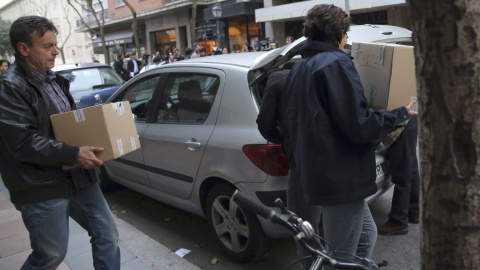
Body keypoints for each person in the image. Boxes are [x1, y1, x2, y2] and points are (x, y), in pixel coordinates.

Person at [281, 4, 417, 265]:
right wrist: (398, 114)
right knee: (341, 255)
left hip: (321, 174)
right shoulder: (336, 62)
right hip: (340, 179)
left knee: (366, 236)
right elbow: (358, 125)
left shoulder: (300, 66)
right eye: (346, 34)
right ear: (340, 34)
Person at [0, 16, 120, 270]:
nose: (56, 51)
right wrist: (74, 153)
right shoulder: (9, 87)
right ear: (24, 49)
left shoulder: (53, 79)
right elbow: (22, 142)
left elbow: (67, 126)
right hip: (41, 185)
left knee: (107, 234)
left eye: (55, 44)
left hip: (78, 177)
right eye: (47, 46)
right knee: (51, 255)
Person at [256, 69, 322, 269]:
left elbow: (265, 124)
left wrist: (286, 140)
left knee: (304, 227)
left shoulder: (276, 81)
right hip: (337, 160)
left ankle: (315, 265)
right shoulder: (324, 71)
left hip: (303, 162)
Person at [377, 116, 420, 235]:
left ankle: (398, 221)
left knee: (402, 174)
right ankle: (414, 210)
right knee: (411, 167)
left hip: (400, 124)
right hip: (410, 120)